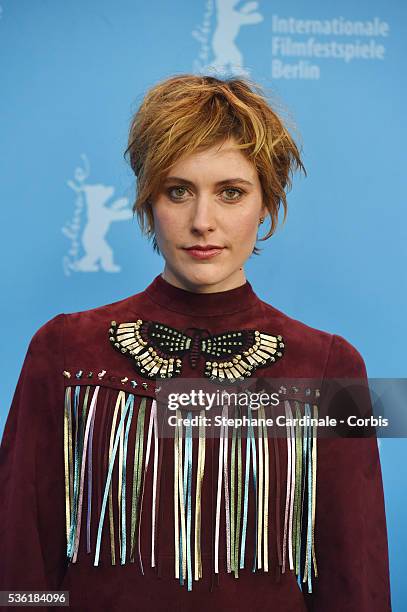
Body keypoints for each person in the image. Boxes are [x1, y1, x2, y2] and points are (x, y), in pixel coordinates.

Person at [0, 74, 391, 612]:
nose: (202, 222)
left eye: (231, 193)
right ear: (147, 202)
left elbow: (356, 578)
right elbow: (20, 564)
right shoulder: (65, 351)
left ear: (266, 205)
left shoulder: (331, 366)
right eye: (178, 191)